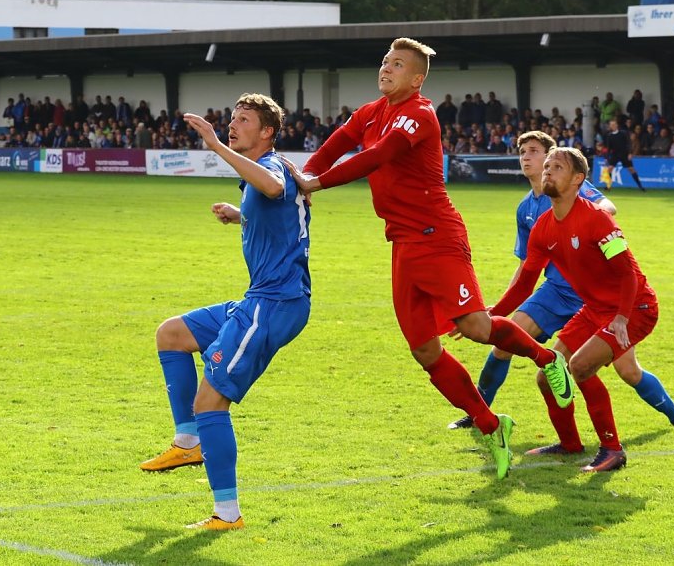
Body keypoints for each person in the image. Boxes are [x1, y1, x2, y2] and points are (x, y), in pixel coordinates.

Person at [285, 37, 575, 481]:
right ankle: (491, 424)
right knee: (424, 349)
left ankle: (547, 360)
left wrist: (315, 184)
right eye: (385, 61)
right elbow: (339, 141)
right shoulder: (370, 112)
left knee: (476, 328)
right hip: (402, 245)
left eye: (397, 64)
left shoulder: (420, 114)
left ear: (416, 78)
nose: (387, 68)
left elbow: (376, 156)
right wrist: (303, 175)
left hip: (438, 237)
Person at [448, 131, 674, 435]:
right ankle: (479, 413)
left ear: (552, 157)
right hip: (557, 292)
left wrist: (588, 228)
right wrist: (493, 313)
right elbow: (526, 268)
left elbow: (609, 210)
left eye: (534, 151)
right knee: (506, 343)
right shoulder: (527, 209)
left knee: (628, 371)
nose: (526, 157)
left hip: (602, 297)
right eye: (522, 151)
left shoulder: (574, 190)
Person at [139, 93, 311, 531]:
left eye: (244, 119)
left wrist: (217, 146)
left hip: (274, 305)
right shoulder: (264, 174)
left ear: (267, 131)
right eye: (232, 119)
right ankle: (187, 441)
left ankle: (227, 515)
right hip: (259, 299)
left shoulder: (272, 167)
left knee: (209, 402)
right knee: (172, 334)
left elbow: (275, 188)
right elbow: (283, 212)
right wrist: (241, 216)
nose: (234, 124)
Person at [491, 147, 674, 472]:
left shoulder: (597, 219)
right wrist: (492, 312)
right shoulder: (542, 227)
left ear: (578, 179)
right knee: (548, 375)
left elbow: (626, 273)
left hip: (635, 307)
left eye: (557, 167)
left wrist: (622, 317)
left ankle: (612, 449)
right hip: (595, 309)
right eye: (547, 166)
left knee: (579, 367)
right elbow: (525, 283)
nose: (548, 171)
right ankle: (569, 445)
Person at [605, 118, 646, 191]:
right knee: (609, 169)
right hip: (615, 154)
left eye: (614, 124)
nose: (613, 126)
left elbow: (628, 143)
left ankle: (640, 186)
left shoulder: (623, 133)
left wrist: (630, 153)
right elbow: (609, 148)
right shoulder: (609, 136)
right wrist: (607, 158)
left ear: (617, 125)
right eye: (611, 125)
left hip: (624, 153)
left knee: (631, 169)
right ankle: (608, 186)